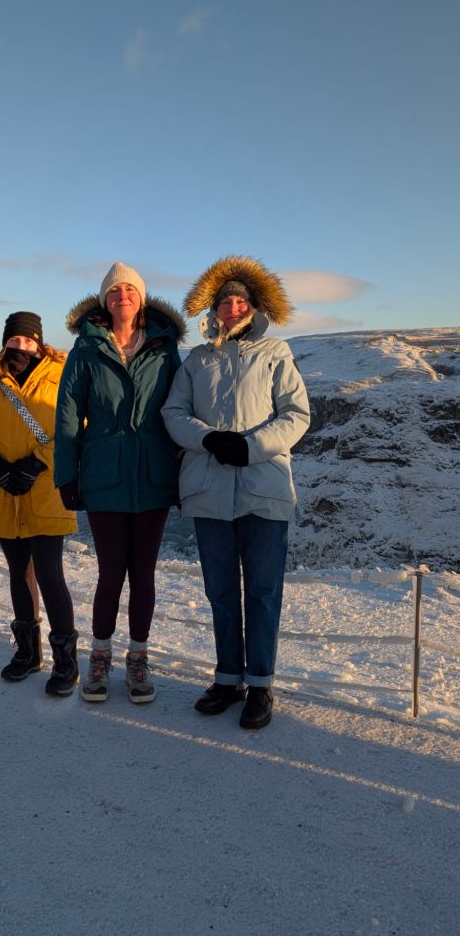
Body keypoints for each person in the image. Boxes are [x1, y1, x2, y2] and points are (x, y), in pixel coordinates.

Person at [162, 255, 310, 730]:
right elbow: (173, 412)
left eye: (240, 300)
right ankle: (228, 678)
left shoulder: (275, 354)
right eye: (225, 300)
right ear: (214, 308)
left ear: (254, 307)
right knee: (221, 591)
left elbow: (296, 415)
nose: (232, 307)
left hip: (263, 488)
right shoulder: (197, 359)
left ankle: (260, 683)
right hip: (209, 490)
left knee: (264, 592)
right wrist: (207, 439)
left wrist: (249, 448)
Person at [54, 262, 185, 704]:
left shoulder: (165, 349)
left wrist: (183, 469)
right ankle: (100, 657)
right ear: (104, 301)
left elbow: (182, 409)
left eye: (129, 289)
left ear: (141, 298)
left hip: (153, 474)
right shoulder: (86, 350)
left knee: (143, 574)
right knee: (110, 572)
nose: (122, 295)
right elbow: (68, 414)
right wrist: (66, 475)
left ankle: (139, 659)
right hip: (105, 474)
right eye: (114, 290)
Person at [0, 311, 79, 697]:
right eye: (15, 339)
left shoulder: (62, 377)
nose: (21, 346)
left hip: (45, 491)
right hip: (1, 491)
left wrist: (37, 462)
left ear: (39, 343)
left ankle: (65, 661)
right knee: (18, 572)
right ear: (5, 341)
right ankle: (28, 653)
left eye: (28, 340)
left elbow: (77, 428)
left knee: (50, 574)